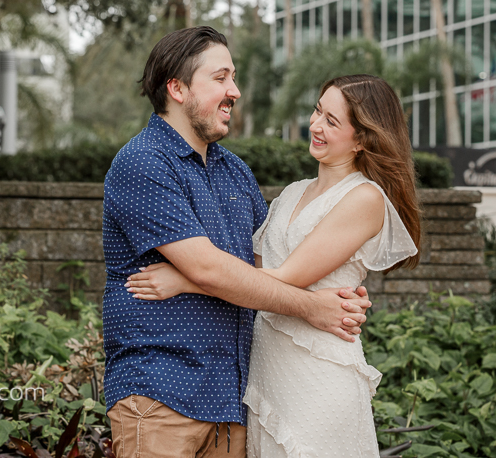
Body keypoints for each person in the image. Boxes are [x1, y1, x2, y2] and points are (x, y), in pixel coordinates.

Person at [102, 26, 373, 458]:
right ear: (177, 88)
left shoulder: (233, 171)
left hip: (232, 403)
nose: (236, 91)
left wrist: (339, 295)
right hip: (159, 397)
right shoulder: (143, 163)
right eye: (221, 78)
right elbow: (208, 268)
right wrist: (313, 307)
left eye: (234, 77)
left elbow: (271, 266)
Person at [126, 74, 421, 457]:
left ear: (363, 138)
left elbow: (285, 278)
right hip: (269, 374)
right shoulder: (293, 192)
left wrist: (185, 279)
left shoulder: (364, 198)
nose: (315, 125)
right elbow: (249, 268)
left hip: (318, 371)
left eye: (332, 121)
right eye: (318, 111)